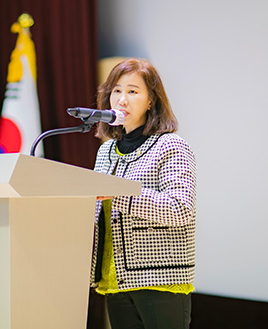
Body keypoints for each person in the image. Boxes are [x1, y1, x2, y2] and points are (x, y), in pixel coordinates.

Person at [91, 58, 196, 329]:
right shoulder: (105, 151)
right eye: (116, 91)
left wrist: (118, 194)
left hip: (159, 279)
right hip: (114, 279)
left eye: (133, 91)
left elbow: (180, 208)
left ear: (151, 100)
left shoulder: (170, 146)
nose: (122, 99)